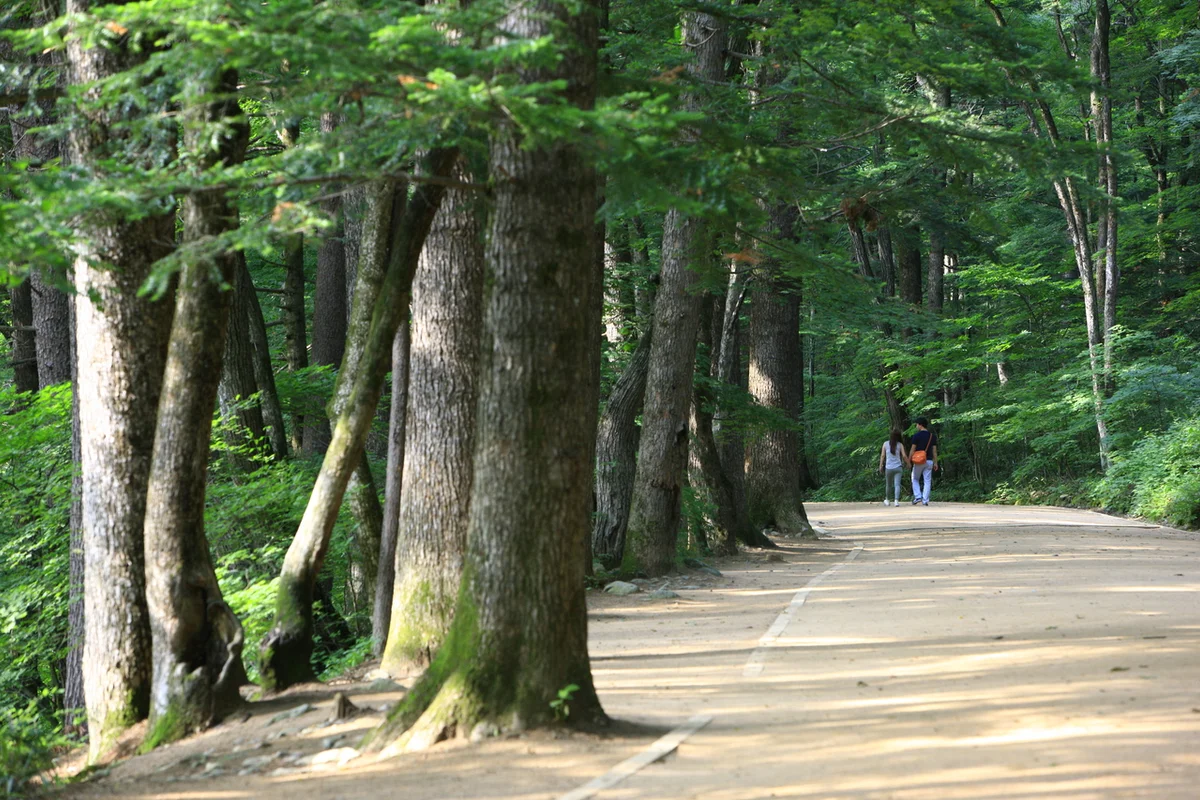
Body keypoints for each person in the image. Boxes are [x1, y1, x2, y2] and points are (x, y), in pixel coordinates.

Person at [908, 417, 939, 506]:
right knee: (927, 480)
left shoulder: (916, 436)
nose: (916, 426)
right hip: (929, 461)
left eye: (917, 424)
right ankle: (925, 500)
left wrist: (909, 460)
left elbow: (912, 450)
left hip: (918, 461)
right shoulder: (932, 436)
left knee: (915, 478)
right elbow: (934, 451)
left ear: (920, 425)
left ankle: (918, 496)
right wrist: (935, 462)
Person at [878, 427, 908, 506]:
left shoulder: (885, 444)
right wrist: (908, 463)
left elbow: (882, 456)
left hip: (888, 468)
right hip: (898, 467)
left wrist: (880, 466)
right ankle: (896, 501)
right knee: (897, 484)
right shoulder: (900, 445)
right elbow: (904, 456)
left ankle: (887, 500)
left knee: (888, 485)